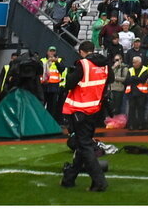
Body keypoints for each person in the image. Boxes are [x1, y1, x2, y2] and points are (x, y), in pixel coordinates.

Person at [61, 40, 111, 192]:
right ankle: (69, 179)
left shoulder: (83, 64)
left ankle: (99, 182)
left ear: (82, 51)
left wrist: (70, 76)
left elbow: (69, 83)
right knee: (83, 144)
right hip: (94, 109)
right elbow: (110, 80)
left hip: (80, 110)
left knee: (85, 146)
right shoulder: (105, 65)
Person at [41, 46, 65, 123]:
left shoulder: (59, 60)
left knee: (52, 106)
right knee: (42, 104)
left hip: (54, 86)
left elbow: (62, 69)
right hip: (44, 85)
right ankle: (41, 121)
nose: (52, 53)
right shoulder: (43, 60)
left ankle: (50, 121)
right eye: (50, 51)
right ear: (47, 52)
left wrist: (56, 62)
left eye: (53, 51)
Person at [124, 56, 148, 130]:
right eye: (133, 62)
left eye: (135, 62)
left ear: (139, 62)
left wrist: (133, 78)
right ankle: (131, 125)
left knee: (141, 109)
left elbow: (143, 79)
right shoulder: (130, 69)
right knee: (131, 110)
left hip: (141, 93)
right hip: (132, 92)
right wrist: (136, 79)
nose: (133, 64)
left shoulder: (145, 69)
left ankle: (141, 125)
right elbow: (126, 81)